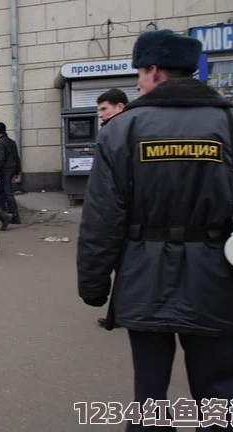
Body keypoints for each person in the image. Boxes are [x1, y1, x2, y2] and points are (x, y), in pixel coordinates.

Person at [76, 29, 233, 432]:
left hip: (143, 276)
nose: (138, 82)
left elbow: (102, 221)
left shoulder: (121, 131)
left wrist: (94, 284)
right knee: (220, 389)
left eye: (139, 72)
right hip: (217, 275)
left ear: (154, 70)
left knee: (150, 393)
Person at [94, 88, 129, 329]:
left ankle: (118, 316)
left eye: (105, 109)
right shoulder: (114, 129)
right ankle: (115, 315)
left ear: (119, 107)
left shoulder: (122, 131)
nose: (101, 114)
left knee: (123, 265)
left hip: (119, 212)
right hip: (118, 211)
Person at [0, 122, 21, 224]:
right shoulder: (11, 141)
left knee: (7, 193)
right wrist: (17, 170)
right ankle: (2, 213)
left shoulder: (0, 143)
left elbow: (0, 159)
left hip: (4, 171)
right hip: (10, 170)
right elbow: (16, 157)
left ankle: (13, 215)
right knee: (0, 191)